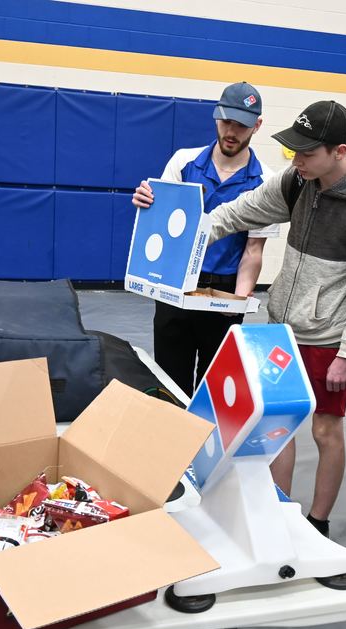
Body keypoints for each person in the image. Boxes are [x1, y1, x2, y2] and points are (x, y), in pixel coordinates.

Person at [137, 101, 346, 537]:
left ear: (339, 151)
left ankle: (318, 522)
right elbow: (238, 212)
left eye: (307, 153)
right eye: (294, 153)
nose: (297, 162)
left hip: (329, 337)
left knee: (326, 429)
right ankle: (281, 512)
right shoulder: (298, 182)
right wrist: (179, 228)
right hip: (282, 329)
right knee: (280, 424)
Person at [131, 82, 277, 396]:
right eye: (227, 122)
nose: (232, 132)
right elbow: (160, 228)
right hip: (176, 287)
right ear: (215, 117)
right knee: (171, 385)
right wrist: (147, 203)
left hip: (224, 292)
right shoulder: (183, 163)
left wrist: (238, 303)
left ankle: (205, 443)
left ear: (257, 126)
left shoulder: (266, 181)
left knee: (212, 390)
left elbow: (253, 251)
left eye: (242, 125)